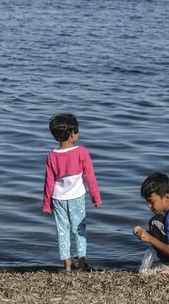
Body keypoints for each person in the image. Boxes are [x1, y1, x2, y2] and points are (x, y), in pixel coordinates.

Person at [42, 113, 102, 273]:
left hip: (58, 198)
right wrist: (96, 198)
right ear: (72, 133)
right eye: (77, 131)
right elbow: (90, 177)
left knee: (62, 231)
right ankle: (81, 263)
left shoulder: (52, 156)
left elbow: (48, 182)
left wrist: (46, 204)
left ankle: (67, 264)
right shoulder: (81, 152)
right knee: (79, 229)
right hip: (76, 198)